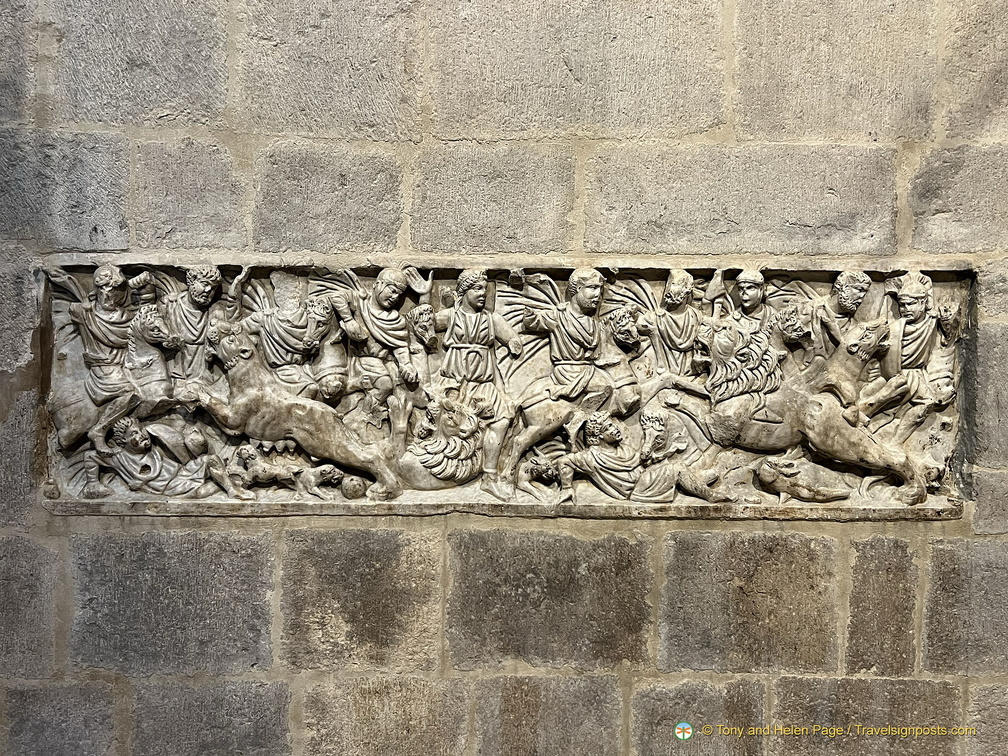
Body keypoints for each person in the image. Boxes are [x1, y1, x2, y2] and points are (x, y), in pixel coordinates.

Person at [434, 269, 522, 497]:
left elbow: (512, 338)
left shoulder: (492, 319)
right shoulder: (450, 316)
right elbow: (423, 322)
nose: (483, 293)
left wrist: (513, 343)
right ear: (464, 291)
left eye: (485, 289)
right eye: (477, 288)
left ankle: (489, 477)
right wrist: (425, 296)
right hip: (454, 383)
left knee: (502, 419)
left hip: (484, 382)